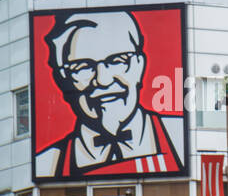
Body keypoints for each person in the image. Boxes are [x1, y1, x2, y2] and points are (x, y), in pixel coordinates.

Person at [37, 10, 185, 180]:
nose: (103, 80)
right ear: (62, 79)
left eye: (117, 61)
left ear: (139, 65)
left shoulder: (180, 139)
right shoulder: (47, 165)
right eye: (83, 67)